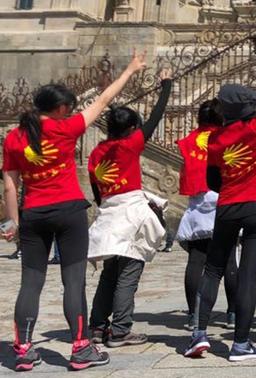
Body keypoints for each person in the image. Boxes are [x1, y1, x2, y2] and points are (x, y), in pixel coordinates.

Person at [2, 51, 147, 371]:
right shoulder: (67, 128)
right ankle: (81, 348)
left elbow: (10, 186)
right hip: (69, 212)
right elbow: (106, 97)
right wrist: (131, 69)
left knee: (30, 283)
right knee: (73, 281)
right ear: (59, 109)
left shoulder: (13, 137)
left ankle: (23, 349)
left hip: (34, 214)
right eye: (67, 106)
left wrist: (12, 222)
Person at [183, 78, 256, 361]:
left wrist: (233, 186)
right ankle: (241, 344)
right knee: (248, 275)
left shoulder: (215, 138)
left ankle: (198, 334)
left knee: (213, 269)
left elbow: (212, 180)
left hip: (228, 206)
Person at [86, 68, 174, 348]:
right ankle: (121, 330)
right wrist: (166, 86)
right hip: (132, 214)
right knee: (129, 273)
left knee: (109, 273)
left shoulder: (97, 153)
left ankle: (97, 326)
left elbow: (96, 190)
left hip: (109, 213)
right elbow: (155, 117)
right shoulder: (130, 145)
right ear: (130, 129)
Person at [177, 100, 239, 331]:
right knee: (230, 259)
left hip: (199, 199)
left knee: (196, 260)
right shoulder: (226, 136)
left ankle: (194, 314)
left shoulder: (189, 140)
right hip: (223, 195)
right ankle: (232, 312)